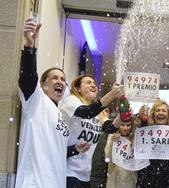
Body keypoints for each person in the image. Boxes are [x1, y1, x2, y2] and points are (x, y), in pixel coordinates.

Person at [15, 17, 87, 188]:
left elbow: (57, 151)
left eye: (63, 79)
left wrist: (75, 149)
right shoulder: (36, 100)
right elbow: (28, 77)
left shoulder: (58, 113)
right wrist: (29, 47)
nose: (60, 81)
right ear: (43, 84)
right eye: (54, 78)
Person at [59, 74, 125, 188]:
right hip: (67, 170)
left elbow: (110, 128)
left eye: (94, 83)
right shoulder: (71, 101)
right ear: (78, 88)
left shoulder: (99, 112)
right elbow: (86, 112)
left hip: (85, 174)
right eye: (88, 82)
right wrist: (112, 94)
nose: (93, 85)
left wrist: (123, 114)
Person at [136, 100, 169, 188]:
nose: (160, 113)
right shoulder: (145, 129)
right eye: (158, 110)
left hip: (166, 178)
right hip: (146, 177)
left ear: (168, 115)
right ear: (153, 114)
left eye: (163, 111)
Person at [105, 118, 137, 188]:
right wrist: (113, 142)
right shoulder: (112, 136)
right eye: (122, 125)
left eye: (128, 125)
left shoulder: (135, 138)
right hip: (114, 178)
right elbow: (107, 157)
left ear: (131, 126)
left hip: (130, 179)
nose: (125, 128)